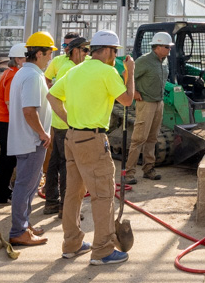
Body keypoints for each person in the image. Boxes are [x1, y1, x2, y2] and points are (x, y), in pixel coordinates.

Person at [48, 29, 136, 266]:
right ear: (107, 50)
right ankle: (103, 250)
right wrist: (130, 72)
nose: (115, 57)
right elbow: (128, 100)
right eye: (115, 52)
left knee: (73, 194)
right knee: (103, 195)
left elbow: (52, 97)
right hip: (93, 142)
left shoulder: (75, 71)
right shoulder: (107, 72)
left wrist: (71, 122)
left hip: (72, 138)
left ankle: (72, 244)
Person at [8, 32, 55, 247]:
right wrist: (42, 134)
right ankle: (18, 231)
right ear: (38, 53)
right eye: (48, 54)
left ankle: (24, 226)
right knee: (25, 186)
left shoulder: (23, 73)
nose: (50, 59)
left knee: (29, 184)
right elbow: (29, 111)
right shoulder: (33, 76)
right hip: (32, 141)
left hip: (27, 139)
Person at [42, 33, 88, 214]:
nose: (87, 54)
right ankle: (66, 208)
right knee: (67, 165)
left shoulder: (72, 65)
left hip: (59, 121)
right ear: (74, 51)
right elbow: (55, 93)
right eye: (84, 50)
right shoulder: (69, 69)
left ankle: (52, 201)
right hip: (66, 122)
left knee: (55, 162)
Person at [126, 31, 171, 183]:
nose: (169, 50)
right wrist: (134, 93)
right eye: (167, 47)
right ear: (157, 47)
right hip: (146, 103)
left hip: (159, 103)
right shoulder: (144, 61)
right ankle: (129, 173)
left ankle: (148, 169)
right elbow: (127, 76)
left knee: (152, 138)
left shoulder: (164, 61)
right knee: (139, 138)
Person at [0, 42, 26, 205]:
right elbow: (10, 102)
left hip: (5, 122)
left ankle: (3, 191)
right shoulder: (13, 76)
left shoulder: (10, 73)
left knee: (9, 159)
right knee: (8, 160)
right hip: (7, 122)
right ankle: (2, 193)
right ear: (18, 59)